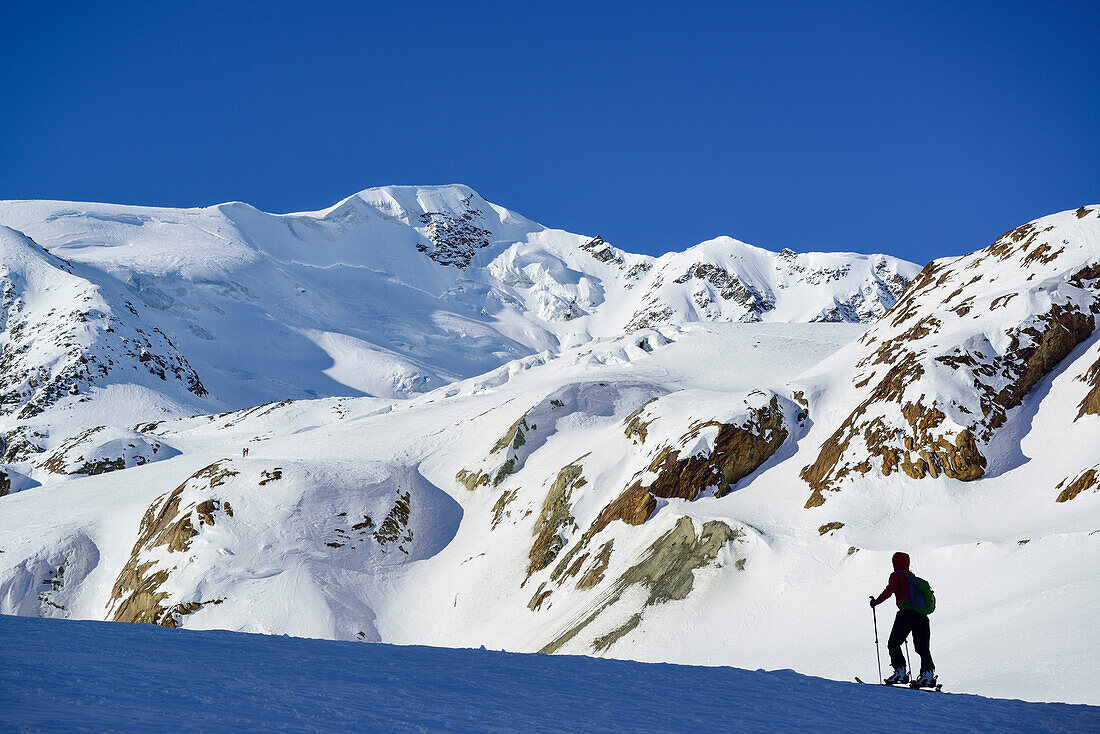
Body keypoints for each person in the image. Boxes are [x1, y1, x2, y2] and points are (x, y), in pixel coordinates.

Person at [870, 551, 936, 686]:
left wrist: (876, 602)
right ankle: (928, 675)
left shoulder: (897, 575)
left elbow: (890, 590)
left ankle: (900, 672)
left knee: (893, 643)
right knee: (922, 647)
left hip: (906, 614)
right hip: (922, 615)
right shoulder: (913, 578)